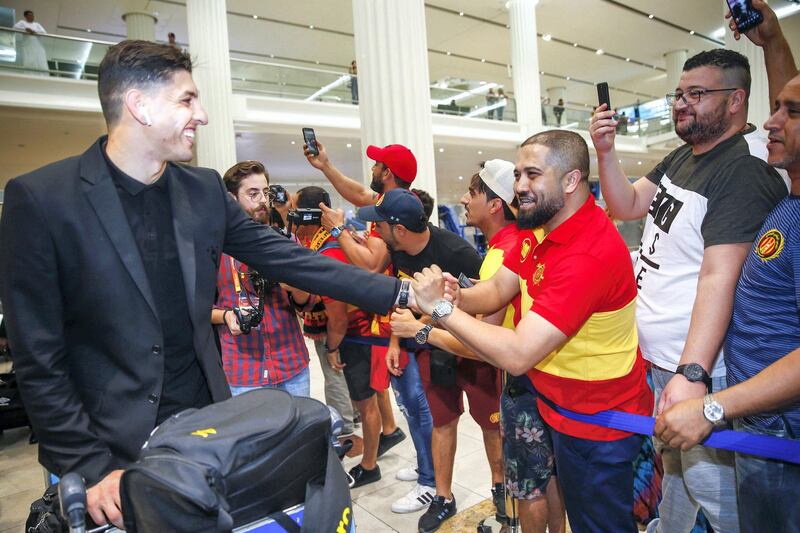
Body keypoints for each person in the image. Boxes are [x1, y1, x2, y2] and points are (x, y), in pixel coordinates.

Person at [0, 40, 404, 529]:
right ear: (139, 105)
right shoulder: (42, 200)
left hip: (204, 431)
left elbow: (291, 260)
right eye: (187, 100)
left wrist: (401, 293)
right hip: (103, 453)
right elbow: (39, 359)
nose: (203, 115)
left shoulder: (203, 190)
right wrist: (91, 466)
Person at [409, 130, 653, 533]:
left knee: (599, 524)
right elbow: (498, 289)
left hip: (601, 421)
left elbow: (520, 352)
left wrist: (439, 310)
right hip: (558, 406)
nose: (519, 186)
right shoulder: (536, 227)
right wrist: (457, 295)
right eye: (519, 173)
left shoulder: (588, 251)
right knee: (563, 503)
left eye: (532, 175)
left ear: (571, 181)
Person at [589, 48, 787, 533]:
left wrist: (693, 373)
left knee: (716, 495)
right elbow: (629, 202)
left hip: (702, 370)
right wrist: (606, 153)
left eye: (697, 94)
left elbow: (720, 276)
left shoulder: (742, 169)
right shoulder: (686, 154)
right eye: (679, 93)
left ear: (736, 100)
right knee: (675, 480)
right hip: (665, 363)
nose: (682, 104)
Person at [657, 2, 800, 530]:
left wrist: (712, 403)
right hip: (762, 421)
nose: (771, 121)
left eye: (789, 113)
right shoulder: (789, 202)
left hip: (784, 433)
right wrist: (772, 41)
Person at [391, 160, 566, 533]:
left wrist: (420, 329)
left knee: (530, 481)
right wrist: (457, 300)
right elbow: (483, 302)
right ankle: (507, 520)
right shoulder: (510, 245)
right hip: (534, 376)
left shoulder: (507, 250)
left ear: (495, 204)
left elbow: (482, 344)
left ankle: (511, 523)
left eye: (472, 193)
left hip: (525, 379)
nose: (464, 200)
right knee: (541, 476)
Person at [305, 140, 436, 512]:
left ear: (388, 174)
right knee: (407, 404)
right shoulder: (388, 205)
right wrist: (325, 166)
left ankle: (430, 479)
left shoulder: (391, 218)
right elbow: (358, 192)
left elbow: (370, 267)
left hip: (404, 324)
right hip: (393, 324)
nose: (373, 171)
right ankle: (425, 467)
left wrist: (338, 231)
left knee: (416, 405)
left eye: (378, 165)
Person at [358, 188, 498, 532]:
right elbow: (405, 303)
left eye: (380, 226)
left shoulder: (458, 253)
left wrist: (423, 325)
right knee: (442, 422)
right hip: (431, 352)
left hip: (472, 355)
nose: (375, 232)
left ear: (400, 229)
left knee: (492, 427)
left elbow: (486, 315)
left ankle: (502, 493)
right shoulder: (399, 252)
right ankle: (443, 497)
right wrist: (396, 339)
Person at [212, 161, 313, 398]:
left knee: (300, 435)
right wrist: (226, 315)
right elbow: (196, 308)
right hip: (243, 371)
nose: (262, 200)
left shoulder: (284, 242)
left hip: (291, 365)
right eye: (253, 193)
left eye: (265, 193)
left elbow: (306, 303)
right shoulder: (213, 248)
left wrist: (296, 286)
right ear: (231, 198)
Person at [14, 10, 48, 75]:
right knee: (29, 59)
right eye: (30, 15)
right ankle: (29, 74)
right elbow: (15, 27)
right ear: (25, 16)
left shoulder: (36, 24)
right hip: (27, 44)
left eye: (32, 15)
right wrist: (25, 29)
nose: (32, 16)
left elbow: (44, 32)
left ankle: (42, 75)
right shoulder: (22, 22)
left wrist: (33, 31)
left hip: (37, 44)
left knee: (39, 59)